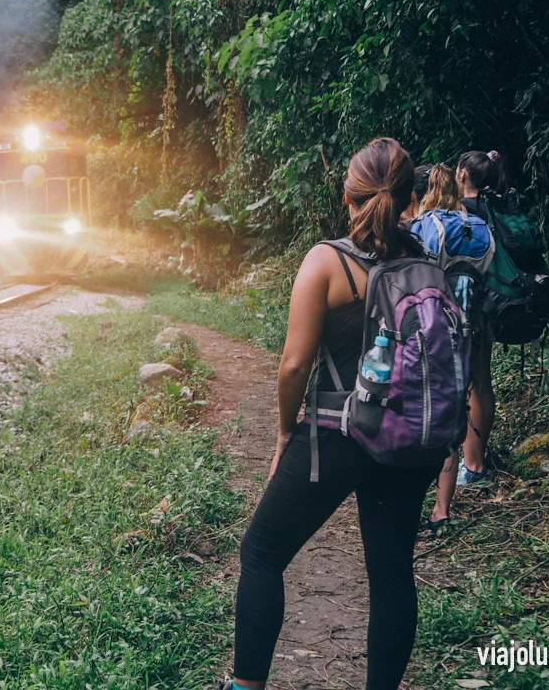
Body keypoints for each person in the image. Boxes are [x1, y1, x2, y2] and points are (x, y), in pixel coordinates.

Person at [222, 138, 440, 690]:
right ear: (413, 198)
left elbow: (294, 365)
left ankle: (244, 687)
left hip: (336, 437)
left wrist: (282, 434)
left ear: (348, 196)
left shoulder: (328, 260)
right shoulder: (430, 268)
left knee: (262, 553)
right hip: (410, 441)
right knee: (391, 574)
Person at [406, 162, 487, 533]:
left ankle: (407, 499)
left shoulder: (423, 227)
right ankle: (442, 511)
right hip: (470, 328)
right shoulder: (473, 224)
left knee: (421, 411)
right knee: (454, 416)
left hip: (432, 329)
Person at [452, 150, 507, 488]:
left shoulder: (462, 214)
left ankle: (471, 465)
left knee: (468, 384)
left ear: (461, 174)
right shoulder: (497, 208)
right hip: (493, 302)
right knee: (482, 380)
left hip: (467, 307)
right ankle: (477, 459)